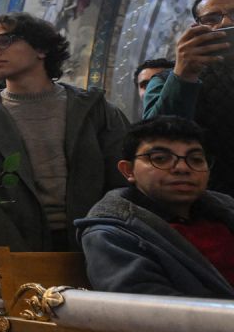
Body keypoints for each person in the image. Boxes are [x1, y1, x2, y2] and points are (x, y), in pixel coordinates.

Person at [0, 12, 129, 250]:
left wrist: (105, 236)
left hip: (96, 244)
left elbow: (123, 180)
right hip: (14, 250)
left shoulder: (95, 110)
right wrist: (10, 248)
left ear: (41, 49)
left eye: (4, 40)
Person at [77, 116, 234, 300]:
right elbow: (151, 311)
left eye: (196, 159)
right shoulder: (112, 233)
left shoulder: (224, 211)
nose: (182, 168)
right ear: (128, 170)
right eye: (160, 159)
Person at [142, 0, 234, 193]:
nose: (224, 23)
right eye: (211, 19)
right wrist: (184, 74)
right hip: (210, 200)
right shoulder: (166, 80)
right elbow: (154, 141)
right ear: (197, 28)